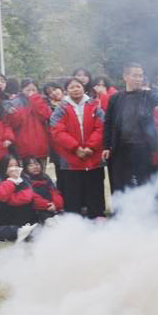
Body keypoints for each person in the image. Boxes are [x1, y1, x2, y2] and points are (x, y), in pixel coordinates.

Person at [102, 62, 158, 194]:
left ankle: (145, 211)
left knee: (144, 182)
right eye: (135, 76)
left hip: (143, 147)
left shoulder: (148, 96)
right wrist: (106, 146)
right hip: (120, 147)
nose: (139, 79)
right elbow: (108, 123)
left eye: (141, 76)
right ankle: (122, 212)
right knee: (120, 183)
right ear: (125, 77)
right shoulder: (115, 98)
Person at [50, 77, 106, 219]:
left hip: (93, 156)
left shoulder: (94, 105)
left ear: (83, 88)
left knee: (95, 187)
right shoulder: (61, 108)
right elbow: (57, 130)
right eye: (72, 87)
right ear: (66, 91)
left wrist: (90, 147)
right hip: (70, 157)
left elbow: (101, 127)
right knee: (72, 190)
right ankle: (74, 218)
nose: (75, 89)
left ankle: (97, 215)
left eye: (78, 86)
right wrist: (75, 148)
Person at [5, 79, 52, 162]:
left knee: (40, 172)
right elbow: (12, 124)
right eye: (28, 89)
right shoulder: (13, 102)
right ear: (22, 90)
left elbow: (45, 116)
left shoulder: (43, 101)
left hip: (41, 146)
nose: (31, 92)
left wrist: (35, 99)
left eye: (33, 90)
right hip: (22, 147)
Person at [0, 154, 38, 227]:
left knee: (28, 205)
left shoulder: (23, 177)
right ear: (3, 166)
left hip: (21, 213)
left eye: (16, 165)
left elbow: (27, 197)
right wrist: (11, 180)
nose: (14, 168)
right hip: (2, 215)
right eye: (10, 166)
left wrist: (9, 199)